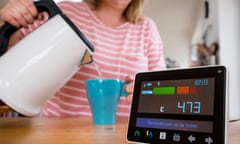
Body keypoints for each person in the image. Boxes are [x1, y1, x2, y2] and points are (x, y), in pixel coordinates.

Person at [0, 0, 166, 117]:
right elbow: (11, 52)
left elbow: (162, 91)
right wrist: (13, 20)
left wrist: (147, 90)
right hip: (59, 134)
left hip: (124, 136)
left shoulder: (147, 28)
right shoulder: (66, 12)